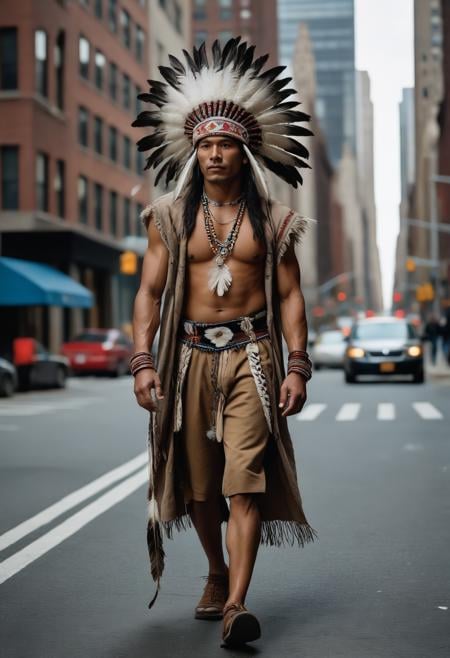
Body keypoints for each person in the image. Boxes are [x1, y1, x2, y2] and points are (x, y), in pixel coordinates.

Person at [130, 37, 316, 648]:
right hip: (186, 359)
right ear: (194, 151)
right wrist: (141, 362)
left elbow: (289, 296)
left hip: (254, 359)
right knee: (201, 487)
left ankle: (236, 603)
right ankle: (215, 569)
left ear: (244, 152)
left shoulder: (274, 219)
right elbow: (149, 294)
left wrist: (297, 366)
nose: (214, 154)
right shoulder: (170, 217)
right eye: (206, 144)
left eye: (225, 145)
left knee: (245, 480)